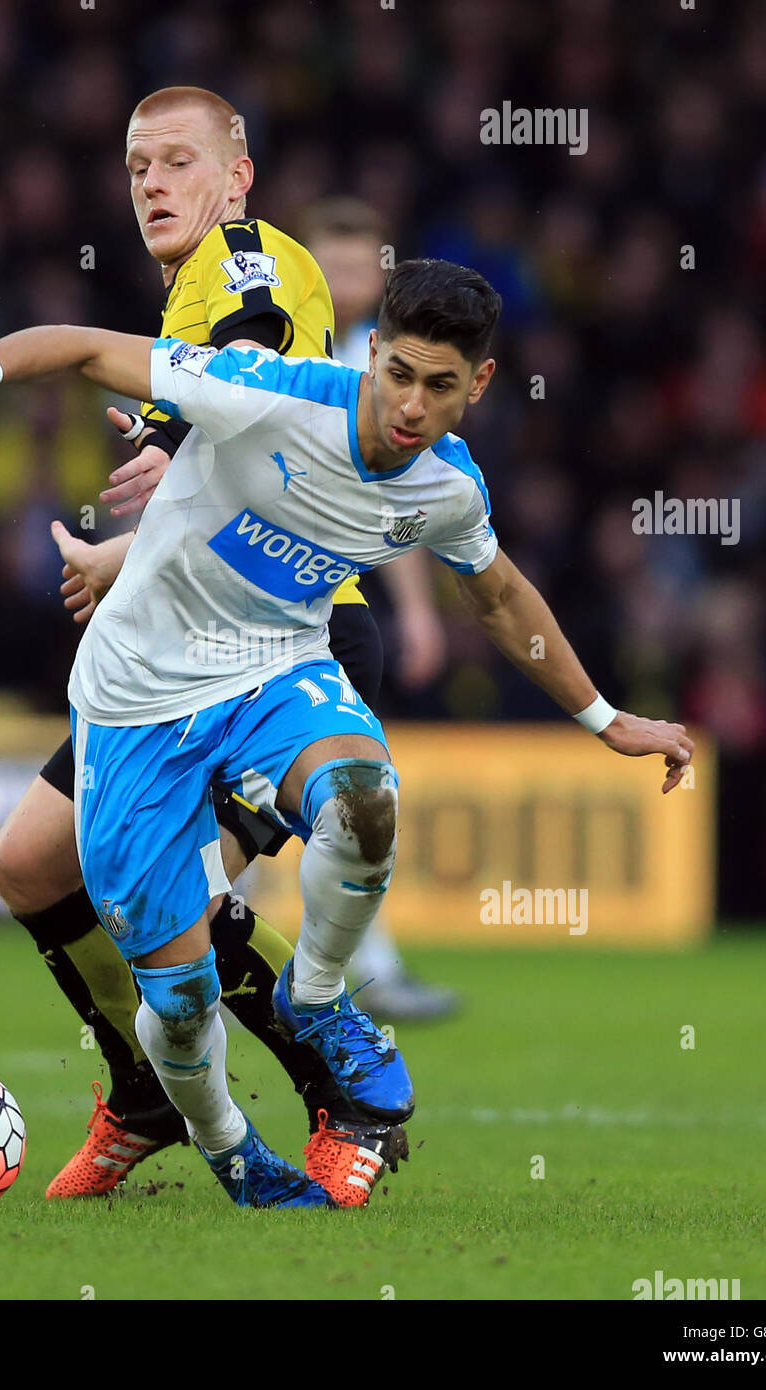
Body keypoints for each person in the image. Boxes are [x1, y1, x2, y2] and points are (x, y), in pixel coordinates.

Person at [0, 256, 695, 1207]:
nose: (411, 406)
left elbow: (500, 597)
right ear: (372, 356)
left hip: (278, 671)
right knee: (179, 1004)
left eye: (440, 387)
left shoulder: (447, 489)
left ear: (476, 387)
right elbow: (95, 349)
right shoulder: (263, 392)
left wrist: (608, 720)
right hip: (136, 699)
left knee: (363, 800)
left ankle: (313, 997)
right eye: (397, 373)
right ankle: (230, 1147)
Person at [0, 86, 410, 1206]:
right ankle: (142, 1089)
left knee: (189, 902)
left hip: (290, 637)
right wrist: (136, 542)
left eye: (178, 161)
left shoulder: (252, 261)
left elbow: (247, 362)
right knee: (26, 865)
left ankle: (353, 1100)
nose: (152, 182)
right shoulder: (183, 299)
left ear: (238, 177)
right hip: (179, 643)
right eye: (137, 164)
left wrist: (167, 445)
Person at [301, 197, 459, 1022]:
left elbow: (397, 512)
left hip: (333, 606)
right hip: (255, 600)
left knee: (347, 784)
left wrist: (421, 613)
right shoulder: (281, 350)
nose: (354, 281)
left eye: (367, 268)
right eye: (340, 266)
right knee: (323, 788)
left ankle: (365, 967)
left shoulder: (396, 373)